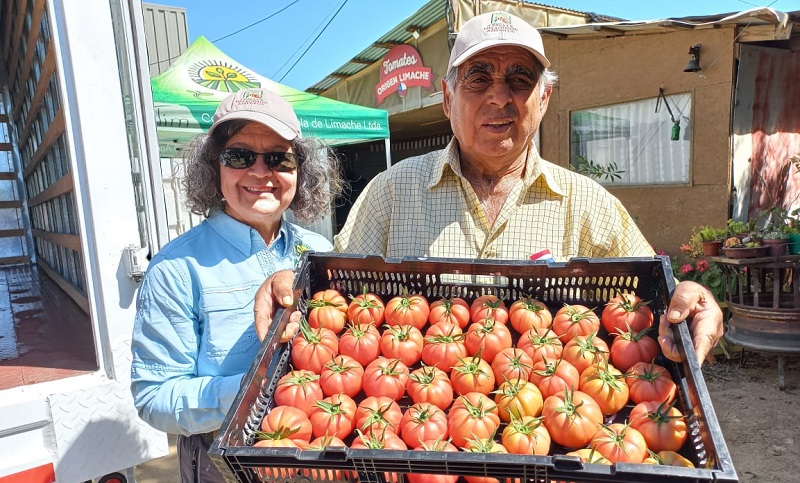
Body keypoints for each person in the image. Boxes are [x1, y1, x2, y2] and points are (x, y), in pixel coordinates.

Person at [255, 12, 722, 364]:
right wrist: (290, 287)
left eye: (520, 79)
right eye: (478, 78)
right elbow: (332, 299)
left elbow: (654, 299)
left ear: (545, 99)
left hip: (549, 434)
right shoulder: (390, 193)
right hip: (412, 441)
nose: (499, 95)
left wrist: (693, 299)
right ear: (447, 98)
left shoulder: (589, 205)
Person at [130, 88, 344, 482]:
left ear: (300, 170)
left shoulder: (320, 251)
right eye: (240, 156)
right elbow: (154, 397)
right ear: (215, 167)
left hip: (320, 451)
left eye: (279, 158)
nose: (260, 172)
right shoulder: (176, 267)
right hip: (224, 464)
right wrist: (255, 390)